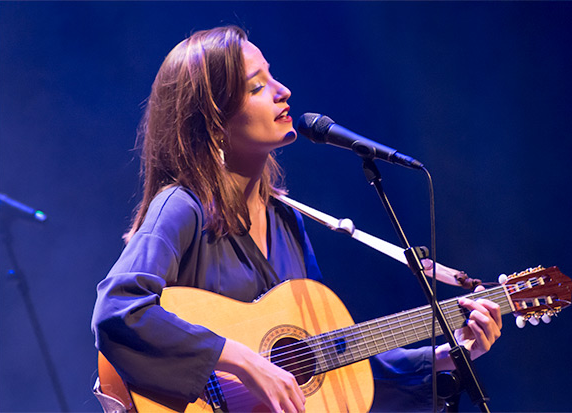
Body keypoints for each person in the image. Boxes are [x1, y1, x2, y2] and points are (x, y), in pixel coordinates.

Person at [91, 26, 502, 413]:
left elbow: (326, 358)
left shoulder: (287, 220)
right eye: (257, 86)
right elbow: (117, 309)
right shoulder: (183, 207)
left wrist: (444, 356)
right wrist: (243, 362)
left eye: (272, 77)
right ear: (214, 121)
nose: (283, 91)